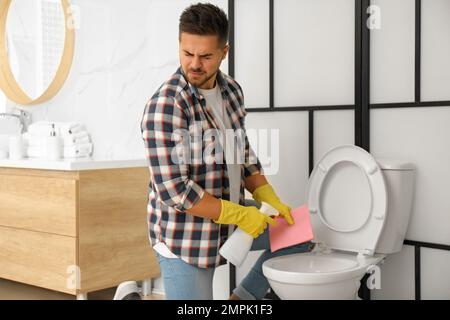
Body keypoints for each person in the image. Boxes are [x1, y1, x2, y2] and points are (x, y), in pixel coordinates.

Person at [115, 2, 313, 301]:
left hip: (228, 213)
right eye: (187, 53)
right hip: (185, 234)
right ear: (180, 45)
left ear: (224, 52)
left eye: (206, 56)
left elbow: (241, 153)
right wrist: (240, 215)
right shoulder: (167, 105)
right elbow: (175, 192)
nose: (195, 64)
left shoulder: (231, 91)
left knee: (299, 234)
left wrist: (266, 195)